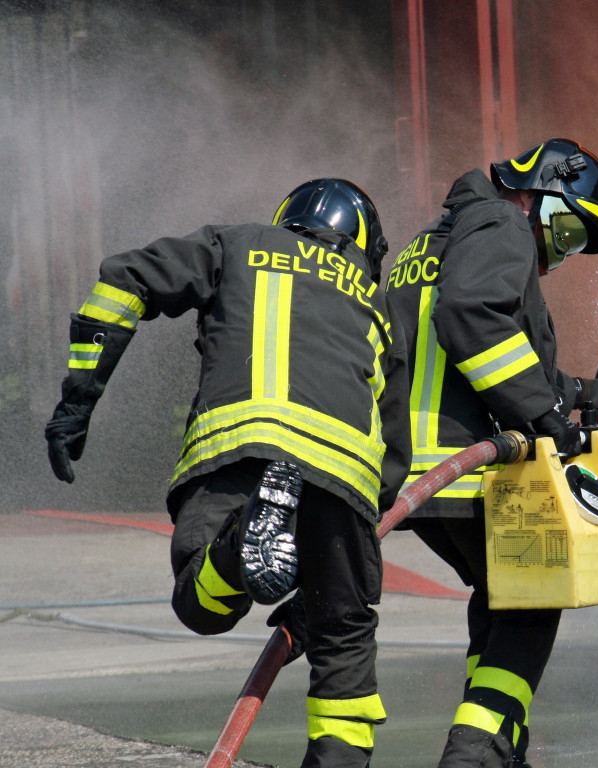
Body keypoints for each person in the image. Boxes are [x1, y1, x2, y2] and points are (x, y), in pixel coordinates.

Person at [44, 178, 411, 768]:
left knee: (203, 605)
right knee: (343, 647)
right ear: (363, 244)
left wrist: (78, 398)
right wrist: (328, 573)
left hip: (240, 453)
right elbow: (393, 455)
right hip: (340, 475)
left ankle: (242, 545)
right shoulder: (377, 304)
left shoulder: (236, 243)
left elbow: (127, 279)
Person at [384, 138, 598, 768]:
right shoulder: (501, 222)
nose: (561, 253)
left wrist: (582, 393)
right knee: (532, 600)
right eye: (570, 232)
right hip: (462, 465)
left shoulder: (437, 240)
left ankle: (501, 749)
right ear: (540, 193)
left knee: (499, 593)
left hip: (412, 469)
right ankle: (475, 754)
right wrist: (544, 416)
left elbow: (490, 351)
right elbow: (471, 317)